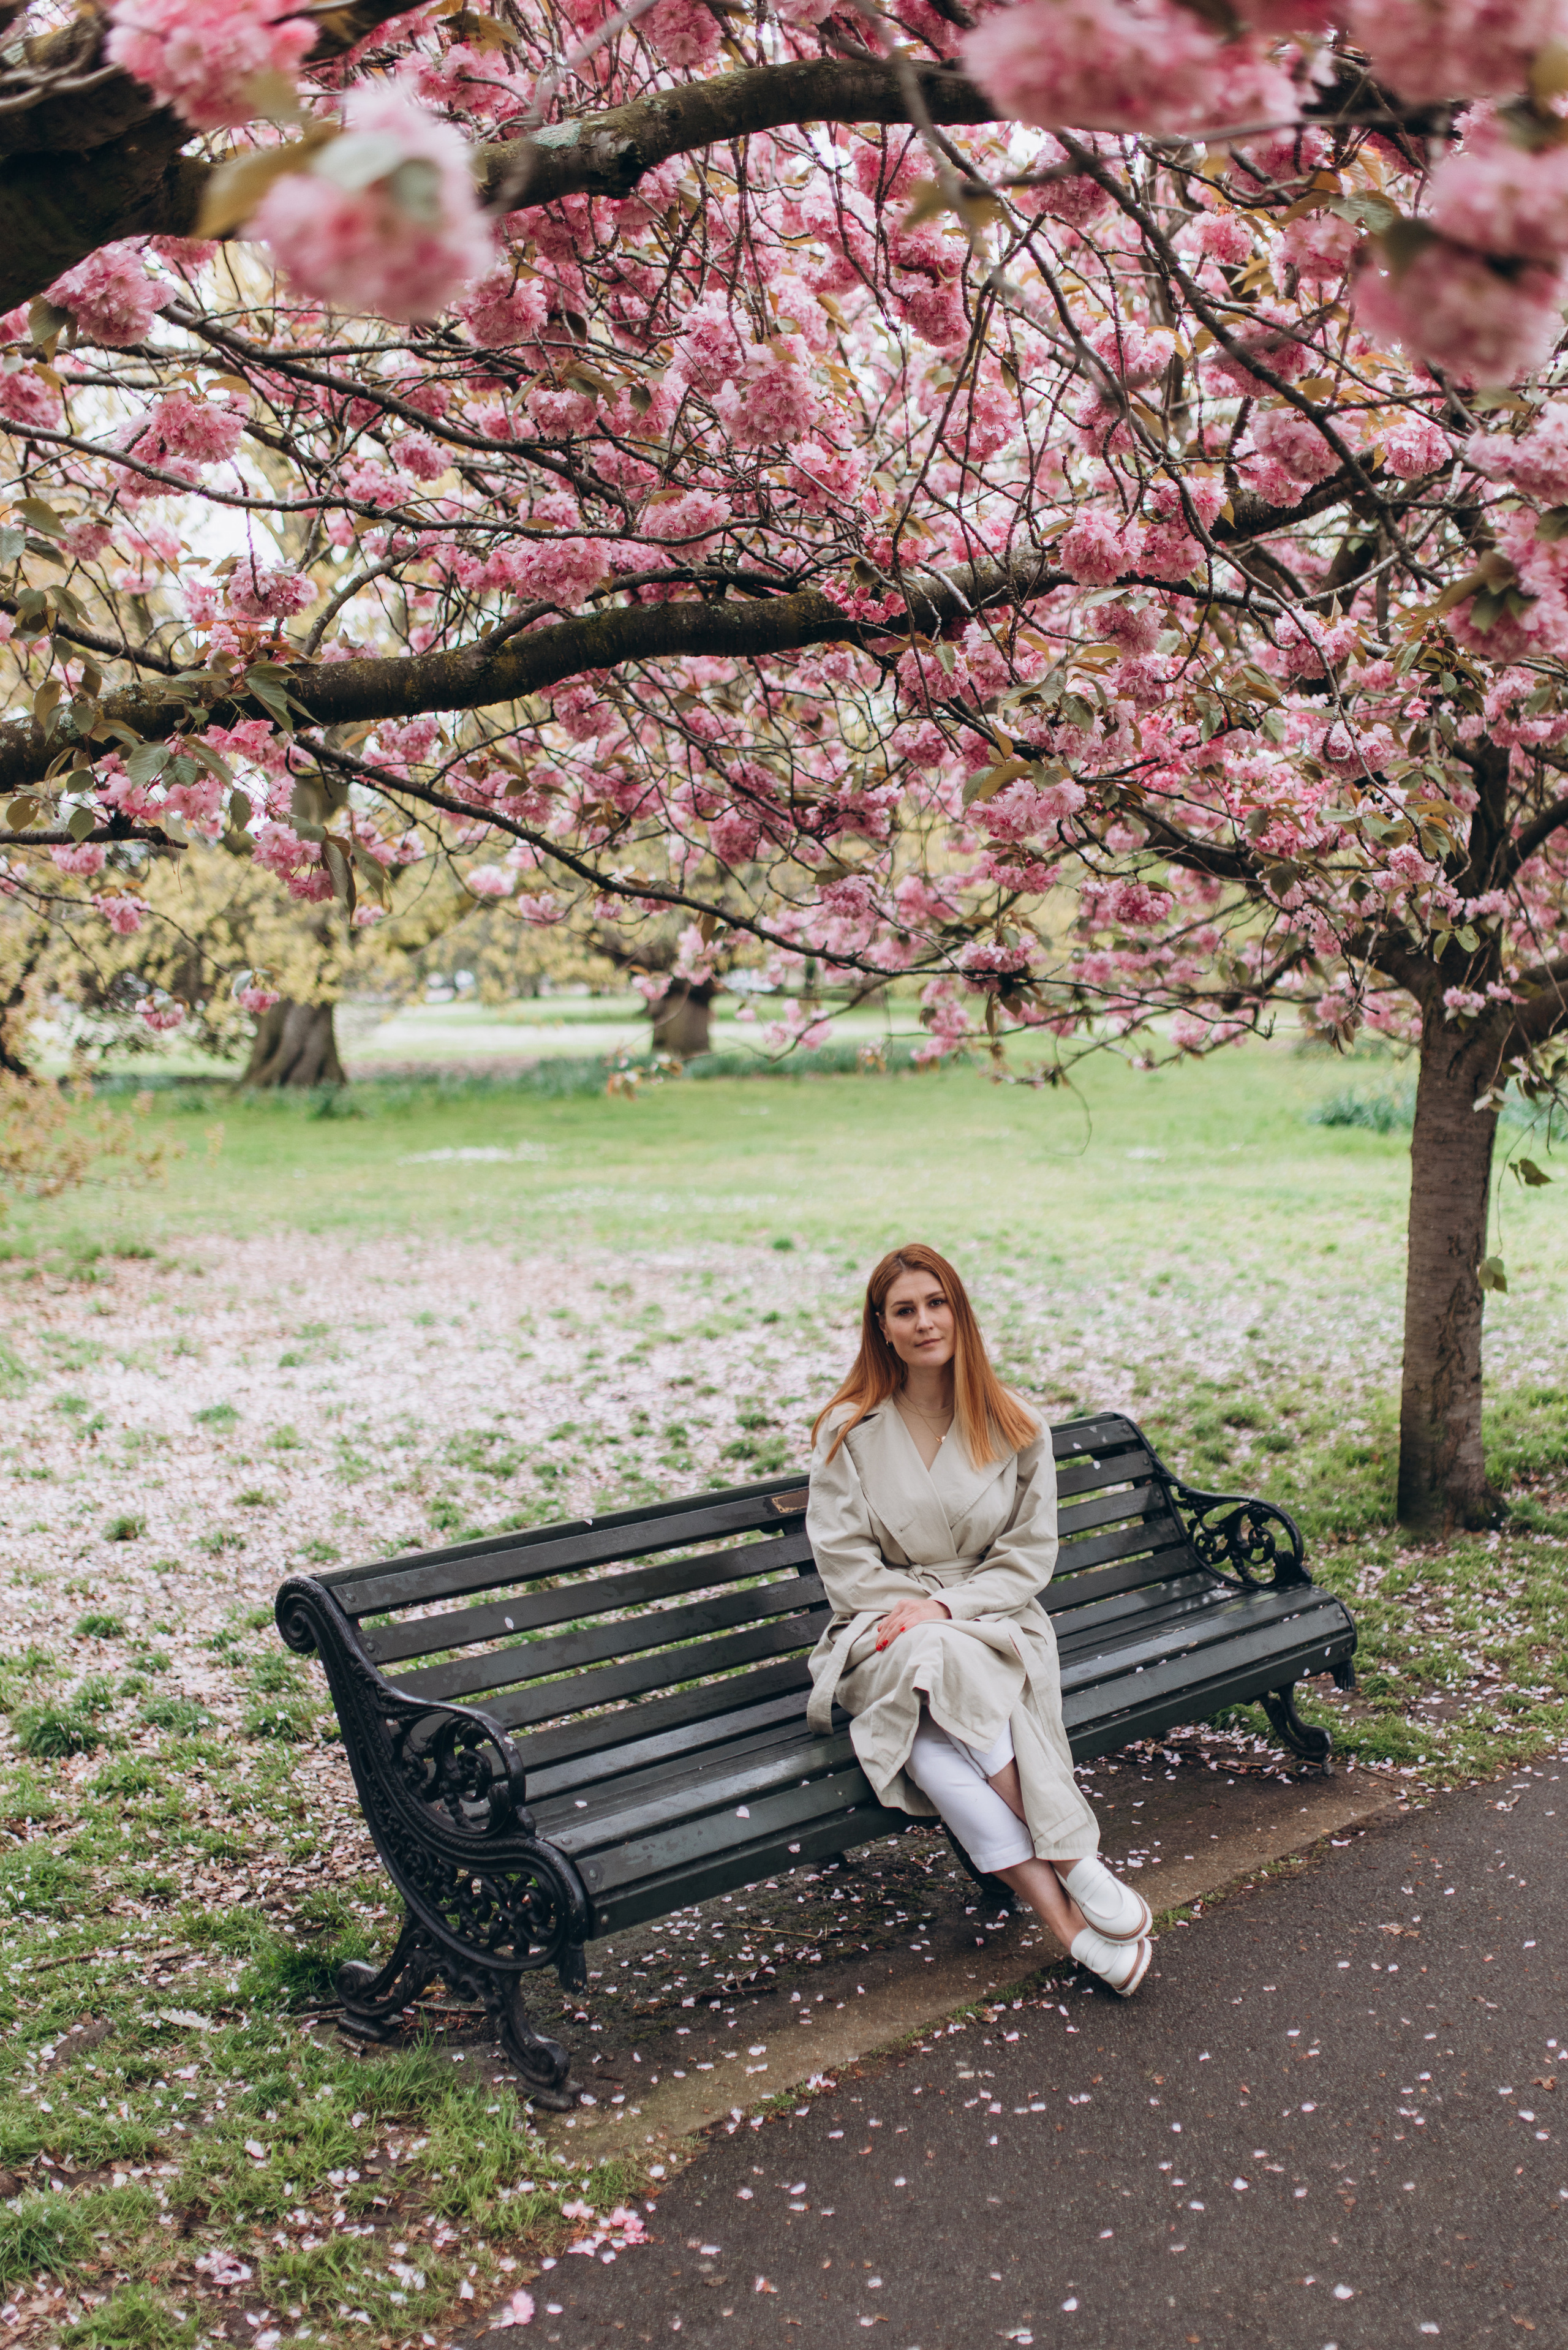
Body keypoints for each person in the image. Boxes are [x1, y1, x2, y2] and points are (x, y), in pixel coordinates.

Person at [805, 1242, 1153, 1996]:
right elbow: (844, 1561)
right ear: (882, 1327)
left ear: (959, 1312)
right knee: (926, 1659)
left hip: (992, 1614)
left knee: (925, 1742)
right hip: (879, 1626)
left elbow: (1028, 1555)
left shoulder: (1015, 1422)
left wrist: (947, 1606)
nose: (924, 1321)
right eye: (905, 1310)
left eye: (937, 1303)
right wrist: (915, 1610)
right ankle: (1072, 1864)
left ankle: (1070, 1930)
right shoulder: (848, 1429)